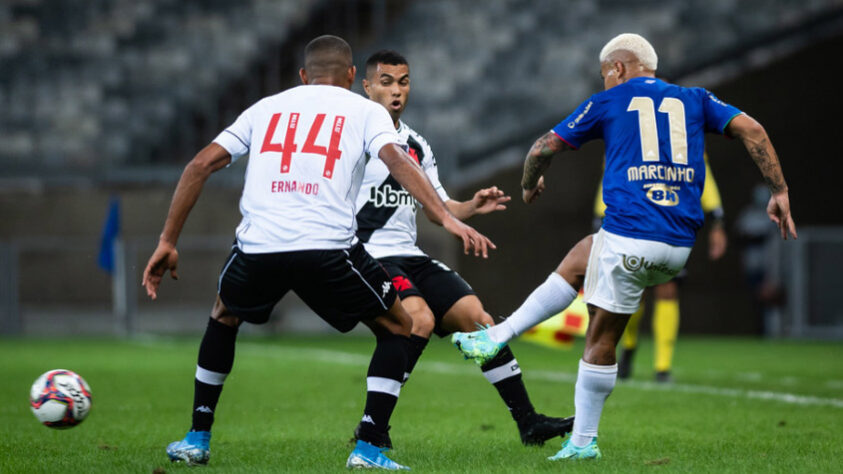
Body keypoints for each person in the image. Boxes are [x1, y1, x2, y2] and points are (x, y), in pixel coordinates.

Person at [141, 35, 494, 471]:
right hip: (328, 249)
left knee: (223, 315)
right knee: (401, 326)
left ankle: (197, 437)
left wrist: (167, 241)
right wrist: (447, 216)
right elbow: (400, 161)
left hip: (259, 246)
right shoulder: (366, 111)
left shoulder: (264, 107)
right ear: (352, 76)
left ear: (304, 77)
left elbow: (199, 165)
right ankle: (368, 446)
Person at [452, 33, 796, 461]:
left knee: (599, 336)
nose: (604, 84)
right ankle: (500, 336)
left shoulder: (609, 102)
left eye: (604, 76)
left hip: (632, 238)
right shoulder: (696, 97)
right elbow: (754, 130)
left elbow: (542, 147)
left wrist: (528, 185)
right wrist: (779, 192)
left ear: (618, 68)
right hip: (678, 247)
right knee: (582, 259)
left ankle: (580, 440)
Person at [355, 50, 574, 447]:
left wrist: (471, 206)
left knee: (479, 319)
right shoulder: (352, 134)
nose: (396, 91)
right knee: (417, 317)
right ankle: (373, 431)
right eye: (386, 82)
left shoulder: (416, 144)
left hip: (409, 255)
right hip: (367, 256)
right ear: (366, 87)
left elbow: (441, 210)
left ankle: (529, 424)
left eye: (403, 81)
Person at [596, 155, 728, 381]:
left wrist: (716, 219)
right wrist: (601, 214)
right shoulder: (632, 132)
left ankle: (662, 367)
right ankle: (628, 345)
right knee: (634, 293)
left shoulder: (684, 135)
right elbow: (614, 170)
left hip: (673, 224)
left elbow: (701, 173)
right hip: (634, 223)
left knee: (668, 290)